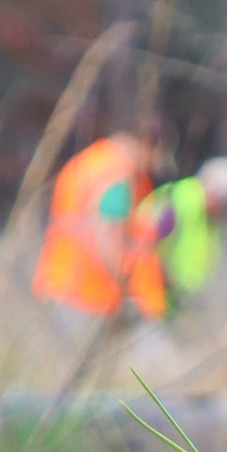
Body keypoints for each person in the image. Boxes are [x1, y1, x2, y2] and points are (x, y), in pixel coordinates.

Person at [32, 131, 167, 321]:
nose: (154, 165)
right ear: (147, 145)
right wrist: (128, 289)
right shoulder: (119, 174)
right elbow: (108, 234)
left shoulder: (91, 161)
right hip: (90, 292)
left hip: (61, 281)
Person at [144, 158, 227, 307]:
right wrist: (163, 278)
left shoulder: (210, 219)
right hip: (149, 301)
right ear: (215, 192)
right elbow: (141, 243)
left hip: (176, 304)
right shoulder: (179, 202)